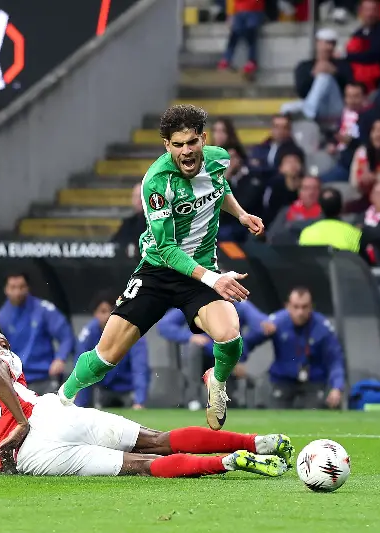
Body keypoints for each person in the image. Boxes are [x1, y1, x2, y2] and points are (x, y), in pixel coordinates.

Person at [58, 105, 266, 431]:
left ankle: (217, 380)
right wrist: (214, 279)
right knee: (105, 358)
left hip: (199, 271)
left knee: (229, 336)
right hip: (158, 271)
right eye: (178, 144)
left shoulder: (219, 159)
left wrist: (240, 214)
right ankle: (60, 401)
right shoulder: (156, 183)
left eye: (192, 142)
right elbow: (167, 249)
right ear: (167, 145)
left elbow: (219, 187)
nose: (187, 151)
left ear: (203, 139)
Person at [0, 323, 292, 478]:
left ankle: (228, 462)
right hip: (50, 414)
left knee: (140, 465)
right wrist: (23, 421)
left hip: (29, 455)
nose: (6, 343)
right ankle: (256, 443)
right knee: (157, 440)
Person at [157, 298, 269, 410]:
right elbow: (164, 325)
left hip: (226, 357)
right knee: (194, 347)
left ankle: (230, 398)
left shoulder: (240, 305)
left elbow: (262, 326)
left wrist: (241, 356)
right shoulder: (196, 302)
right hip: (203, 356)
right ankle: (193, 398)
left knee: (228, 402)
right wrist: (189, 336)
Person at [242, 288, 345, 409]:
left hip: (314, 381)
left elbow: (335, 360)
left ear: (311, 307)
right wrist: (238, 361)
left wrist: (337, 387)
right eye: (296, 307)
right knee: (273, 413)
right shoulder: (276, 322)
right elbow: (248, 341)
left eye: (304, 307)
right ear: (288, 306)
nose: (300, 312)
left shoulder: (323, 327)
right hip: (282, 380)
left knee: (316, 413)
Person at [0, 273, 75, 394]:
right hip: (16, 380)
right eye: (13, 287)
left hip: (46, 376)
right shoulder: (0, 318)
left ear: (28, 288)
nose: (17, 292)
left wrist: (60, 358)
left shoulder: (44, 309)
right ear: (6, 289)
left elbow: (66, 336)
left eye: (21, 287)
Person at [74, 292, 149, 410]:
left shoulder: (131, 329)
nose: (107, 315)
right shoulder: (89, 332)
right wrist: (80, 405)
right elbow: (82, 368)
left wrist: (139, 400)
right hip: (104, 391)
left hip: (129, 390)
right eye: (103, 311)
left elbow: (139, 367)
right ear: (95, 313)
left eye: (111, 310)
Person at [299, 187, 369, 263]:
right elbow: (364, 264)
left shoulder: (306, 233)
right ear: (341, 207)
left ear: (320, 207)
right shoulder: (355, 234)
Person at [111, 183, 147, 255]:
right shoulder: (128, 223)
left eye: (142, 196)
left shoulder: (157, 223)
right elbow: (114, 245)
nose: (139, 200)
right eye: (136, 196)